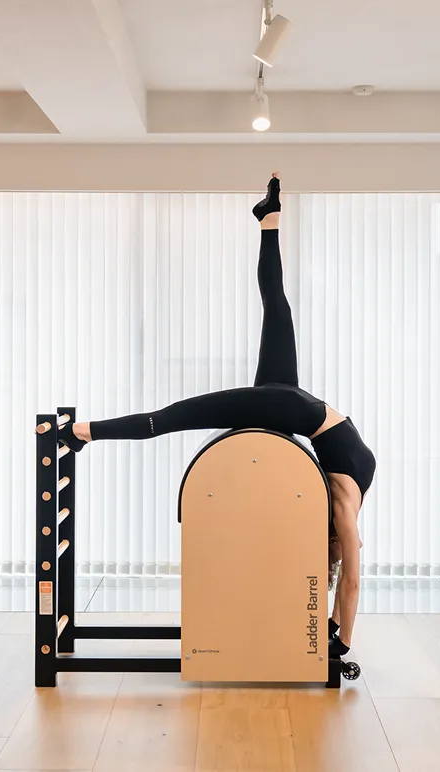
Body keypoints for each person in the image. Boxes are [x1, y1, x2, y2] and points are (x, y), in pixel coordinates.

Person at [57, 175, 376, 656]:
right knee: (171, 417)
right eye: (331, 549)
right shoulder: (344, 513)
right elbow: (351, 581)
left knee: (276, 305)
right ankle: (83, 432)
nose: (337, 550)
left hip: (301, 406)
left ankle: (269, 219)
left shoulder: (352, 497)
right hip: (289, 409)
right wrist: (343, 641)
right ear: (335, 539)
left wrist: (330, 622)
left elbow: (344, 570)